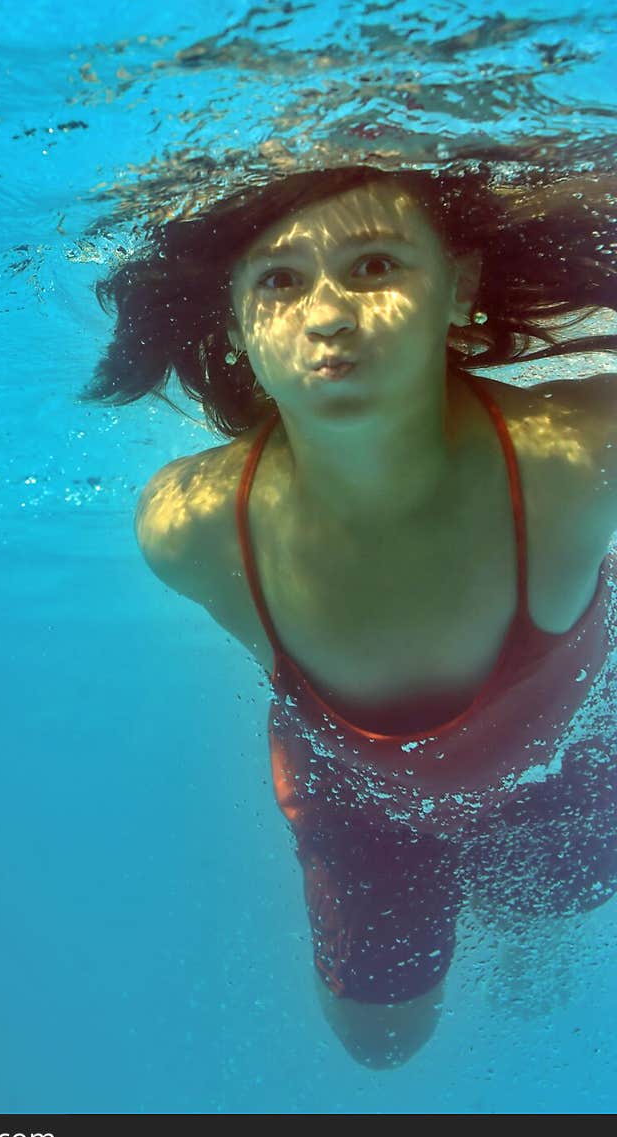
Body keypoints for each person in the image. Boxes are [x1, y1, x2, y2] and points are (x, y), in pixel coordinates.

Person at [79, 163, 617, 1069]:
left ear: (462, 287)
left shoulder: (577, 457)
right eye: (280, 280)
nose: (327, 317)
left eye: (374, 266)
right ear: (239, 322)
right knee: (383, 1046)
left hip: (556, 760)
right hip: (362, 804)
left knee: (562, 898)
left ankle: (526, 924)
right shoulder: (193, 527)